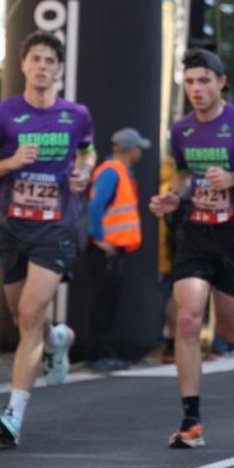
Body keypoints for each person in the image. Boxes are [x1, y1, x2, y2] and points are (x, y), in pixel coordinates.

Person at [0, 32, 95, 447]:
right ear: (22, 65)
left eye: (49, 60)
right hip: (11, 228)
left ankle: (14, 413)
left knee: (27, 315)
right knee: (28, 318)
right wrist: (11, 162)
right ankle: (58, 339)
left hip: (56, 227)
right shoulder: (2, 115)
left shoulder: (76, 115)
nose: (42, 66)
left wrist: (83, 171)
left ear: (59, 69)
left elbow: (87, 152)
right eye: (35, 59)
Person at [148, 48, 234, 448]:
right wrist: (172, 198)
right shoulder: (181, 131)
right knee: (188, 318)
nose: (196, 89)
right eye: (190, 82)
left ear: (221, 83)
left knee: (231, 331)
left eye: (203, 81)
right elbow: (182, 178)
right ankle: (191, 420)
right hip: (196, 233)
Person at [86, 127, 148, 372]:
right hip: (106, 250)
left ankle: (103, 352)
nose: (140, 153)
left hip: (112, 249)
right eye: (138, 149)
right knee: (102, 303)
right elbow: (95, 205)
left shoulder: (119, 171)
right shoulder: (112, 172)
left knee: (108, 303)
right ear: (130, 150)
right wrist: (99, 239)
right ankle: (97, 354)